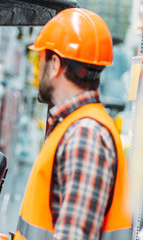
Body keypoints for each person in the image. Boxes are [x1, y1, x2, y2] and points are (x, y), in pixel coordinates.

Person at [13, 8, 131, 240]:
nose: (38, 71)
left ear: (55, 64)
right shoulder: (74, 126)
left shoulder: (84, 134)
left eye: (41, 60)